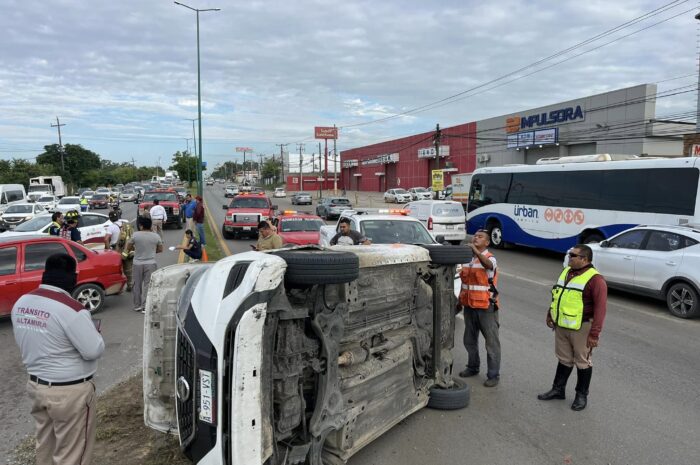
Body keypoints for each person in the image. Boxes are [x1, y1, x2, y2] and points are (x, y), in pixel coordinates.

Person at [11, 253, 104, 465]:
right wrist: (96, 335)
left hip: (37, 387)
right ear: (73, 278)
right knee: (72, 454)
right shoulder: (72, 310)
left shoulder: (21, 303)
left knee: (46, 444)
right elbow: (93, 350)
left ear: (45, 275)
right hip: (69, 394)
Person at [538, 244, 607, 411]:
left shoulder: (596, 280)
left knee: (582, 362)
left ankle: (581, 395)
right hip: (562, 324)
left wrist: (594, 334)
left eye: (573, 255)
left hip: (582, 328)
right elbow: (557, 295)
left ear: (584, 259)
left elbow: (600, 309)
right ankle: (558, 389)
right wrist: (550, 314)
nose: (569, 257)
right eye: (570, 254)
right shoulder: (566, 272)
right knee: (564, 359)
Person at [458, 229, 501, 387]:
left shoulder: (490, 258)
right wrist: (459, 301)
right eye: (475, 236)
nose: (476, 238)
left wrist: (475, 251)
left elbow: (488, 265)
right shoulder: (468, 260)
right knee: (469, 340)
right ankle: (473, 367)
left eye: (480, 237)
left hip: (486, 307)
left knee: (491, 343)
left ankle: (493, 375)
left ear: (487, 243)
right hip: (469, 305)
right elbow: (464, 283)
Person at [126, 217, 163, 313]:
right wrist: (150, 251)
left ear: (141, 226)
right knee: (148, 285)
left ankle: (137, 305)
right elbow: (160, 249)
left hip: (137, 263)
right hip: (151, 263)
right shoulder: (156, 236)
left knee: (136, 285)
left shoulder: (135, 235)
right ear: (150, 225)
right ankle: (145, 307)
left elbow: (128, 247)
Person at [116, 219, 134, 291]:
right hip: (129, 255)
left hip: (121, 255)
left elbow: (119, 244)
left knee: (120, 271)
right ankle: (129, 285)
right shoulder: (132, 235)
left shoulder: (122, 234)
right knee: (128, 271)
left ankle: (119, 288)